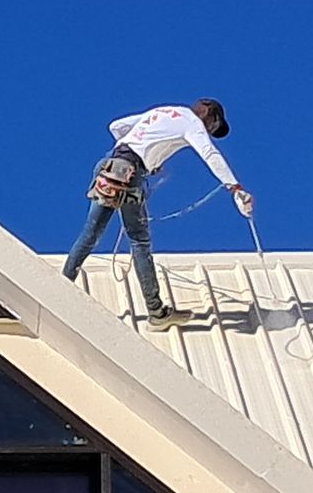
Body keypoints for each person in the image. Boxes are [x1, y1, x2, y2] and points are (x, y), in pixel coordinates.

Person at [61, 98, 254, 326]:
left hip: (110, 166)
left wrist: (146, 156)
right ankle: (156, 312)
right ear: (210, 116)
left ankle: (62, 284)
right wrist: (235, 187)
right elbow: (210, 154)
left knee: (91, 233)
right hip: (130, 174)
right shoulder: (192, 123)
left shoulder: (164, 111)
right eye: (214, 127)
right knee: (139, 240)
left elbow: (116, 126)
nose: (211, 132)